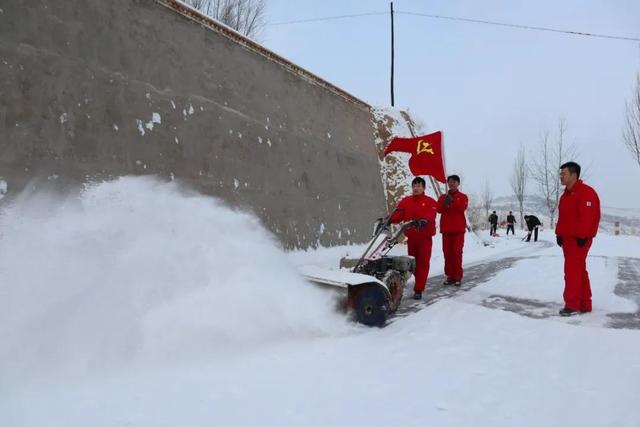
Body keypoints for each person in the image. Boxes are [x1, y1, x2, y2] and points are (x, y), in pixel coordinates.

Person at [555, 161, 601, 316]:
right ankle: (584, 304)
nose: (561, 176)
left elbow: (588, 217)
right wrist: (559, 234)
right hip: (567, 239)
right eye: (560, 174)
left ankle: (572, 305)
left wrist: (582, 236)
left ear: (573, 175)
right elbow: (563, 218)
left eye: (564, 173)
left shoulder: (586, 192)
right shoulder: (565, 196)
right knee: (579, 270)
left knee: (572, 271)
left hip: (579, 239)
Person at [390, 177, 438, 300]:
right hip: (411, 238)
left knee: (423, 263)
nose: (416, 188)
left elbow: (431, 214)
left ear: (423, 188)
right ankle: (418, 282)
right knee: (414, 264)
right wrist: (388, 220)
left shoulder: (430, 201)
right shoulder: (406, 201)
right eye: (414, 186)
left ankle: (419, 288)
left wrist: (424, 220)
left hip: (425, 238)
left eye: (418, 186)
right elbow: (398, 214)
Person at [437, 175, 468, 286]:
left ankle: (458, 276)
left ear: (458, 183)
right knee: (447, 254)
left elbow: (462, 208)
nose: (451, 183)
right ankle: (450, 276)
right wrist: (444, 202)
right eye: (449, 182)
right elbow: (439, 210)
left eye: (454, 182)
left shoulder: (463, 196)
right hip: (446, 230)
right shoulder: (443, 197)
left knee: (456, 253)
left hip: (458, 230)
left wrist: (453, 201)